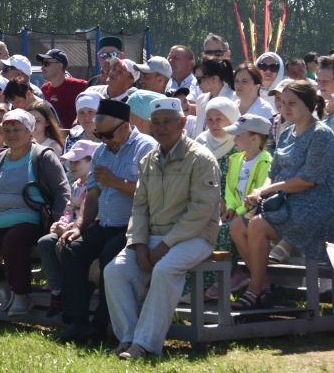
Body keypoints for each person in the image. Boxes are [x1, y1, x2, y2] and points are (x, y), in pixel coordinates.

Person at [105, 97, 220, 360]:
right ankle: (129, 339)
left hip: (195, 237)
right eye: (156, 122)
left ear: (182, 123)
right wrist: (140, 244)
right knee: (115, 272)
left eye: (168, 122)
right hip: (153, 238)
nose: (161, 127)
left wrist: (165, 245)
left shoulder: (201, 158)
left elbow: (200, 211)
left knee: (165, 269)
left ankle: (145, 346)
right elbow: (139, 208)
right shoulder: (149, 160)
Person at [230, 81, 334, 309]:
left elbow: (308, 180)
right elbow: (274, 173)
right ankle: (264, 285)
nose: (285, 108)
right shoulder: (286, 134)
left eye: (292, 103)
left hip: (318, 208)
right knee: (236, 225)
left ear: (309, 104)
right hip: (289, 205)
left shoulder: (321, 134)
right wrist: (259, 192)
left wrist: (268, 190)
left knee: (257, 226)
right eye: (282, 103)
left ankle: (254, 290)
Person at [54, 99, 158, 343]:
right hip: (105, 223)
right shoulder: (101, 151)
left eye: (109, 134)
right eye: (100, 135)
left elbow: (152, 193)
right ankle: (78, 323)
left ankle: (102, 324)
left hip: (135, 226)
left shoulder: (146, 147)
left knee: (109, 255)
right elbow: (93, 194)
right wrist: (79, 226)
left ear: (124, 127)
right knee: (72, 248)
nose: (104, 140)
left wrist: (116, 182)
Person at [0, 109, 70, 317]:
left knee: (14, 240)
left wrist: (57, 224)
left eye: (17, 129)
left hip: (30, 221)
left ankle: (22, 294)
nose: (12, 133)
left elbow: (62, 192)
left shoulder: (42, 156)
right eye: (7, 129)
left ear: (30, 131)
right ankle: (0, 283)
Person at [204, 114, 273, 300]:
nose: (234, 139)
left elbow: (258, 193)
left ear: (255, 138)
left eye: (239, 135)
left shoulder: (267, 161)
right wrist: (232, 208)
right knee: (216, 227)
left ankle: (236, 275)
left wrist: (239, 212)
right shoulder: (235, 159)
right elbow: (230, 190)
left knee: (227, 230)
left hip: (256, 213)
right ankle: (259, 278)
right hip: (238, 213)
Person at [38, 140, 98, 319]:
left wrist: (68, 228)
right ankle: (57, 291)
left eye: (77, 161)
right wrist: (61, 224)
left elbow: (96, 215)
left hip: (89, 230)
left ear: (92, 161)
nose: (72, 166)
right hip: (72, 229)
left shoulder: (98, 185)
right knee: (45, 242)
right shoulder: (77, 185)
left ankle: (74, 290)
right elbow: (69, 210)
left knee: (62, 245)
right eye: (71, 162)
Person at [37, 48, 87, 129]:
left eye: (46, 63)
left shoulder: (81, 86)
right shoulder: (44, 89)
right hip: (53, 139)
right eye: (42, 64)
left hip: (75, 138)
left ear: (60, 65)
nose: (42, 67)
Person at [192, 58, 237, 133]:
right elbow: (198, 131)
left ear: (214, 79)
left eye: (199, 79)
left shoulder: (234, 99)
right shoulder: (200, 100)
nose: (197, 84)